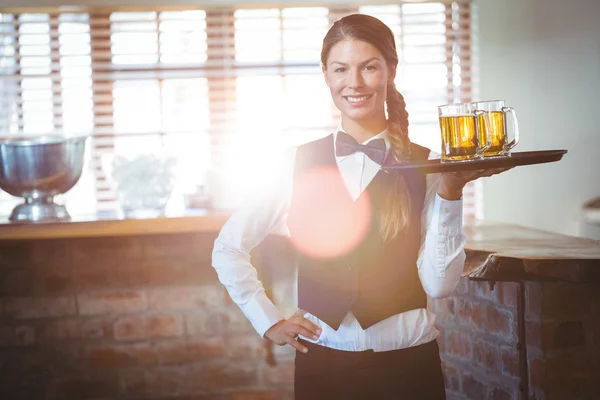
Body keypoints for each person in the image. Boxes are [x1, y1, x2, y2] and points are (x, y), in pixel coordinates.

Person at [212, 13, 508, 400]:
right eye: (341, 69)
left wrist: (451, 191)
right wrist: (268, 321)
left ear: (390, 70)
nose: (354, 82)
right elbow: (228, 247)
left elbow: (439, 285)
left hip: (408, 368)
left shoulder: (431, 166)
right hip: (322, 369)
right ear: (325, 74)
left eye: (369, 67)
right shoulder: (292, 163)